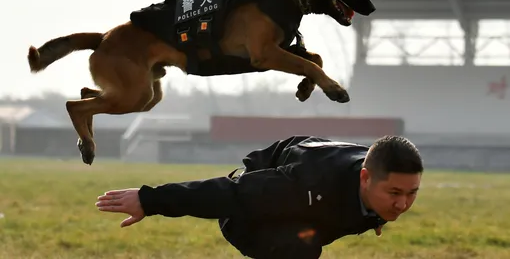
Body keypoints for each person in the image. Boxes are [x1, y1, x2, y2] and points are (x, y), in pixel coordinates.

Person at [96, 135, 423, 259]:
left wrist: (377, 214)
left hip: (309, 209)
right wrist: (149, 200)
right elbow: (230, 194)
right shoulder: (305, 186)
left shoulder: (378, 170)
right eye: (394, 194)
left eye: (412, 194)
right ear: (365, 178)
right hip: (248, 216)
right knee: (303, 248)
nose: (403, 204)